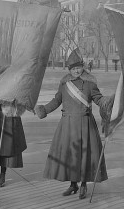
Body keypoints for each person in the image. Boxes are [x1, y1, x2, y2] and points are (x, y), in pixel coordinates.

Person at [34, 50, 112, 199]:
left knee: (84, 155)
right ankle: (73, 184)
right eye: (74, 68)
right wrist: (44, 110)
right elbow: (57, 101)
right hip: (67, 125)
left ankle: (83, 185)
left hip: (85, 124)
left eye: (79, 68)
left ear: (83, 67)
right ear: (69, 69)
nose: (77, 71)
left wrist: (107, 103)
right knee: (70, 156)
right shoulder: (64, 84)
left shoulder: (90, 84)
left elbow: (98, 98)